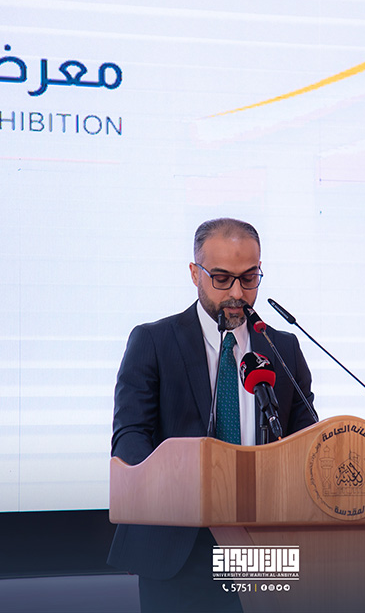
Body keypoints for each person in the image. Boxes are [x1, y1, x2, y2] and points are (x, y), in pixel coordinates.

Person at [108, 218, 317, 612]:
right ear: (195, 274)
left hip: (264, 544)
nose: (237, 293)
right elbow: (130, 440)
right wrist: (176, 492)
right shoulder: (154, 342)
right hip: (182, 542)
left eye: (249, 278)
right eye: (222, 279)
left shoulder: (284, 349)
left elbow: (308, 442)